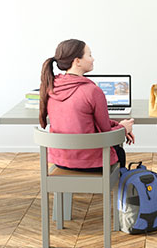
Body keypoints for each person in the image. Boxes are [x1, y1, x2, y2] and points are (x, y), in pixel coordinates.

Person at [40, 39, 135, 171]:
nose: (93, 59)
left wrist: (120, 125)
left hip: (60, 160)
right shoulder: (92, 91)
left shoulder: (50, 87)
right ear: (77, 61)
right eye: (89, 55)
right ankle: (114, 190)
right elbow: (106, 134)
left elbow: (88, 124)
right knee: (119, 152)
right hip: (91, 163)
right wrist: (123, 129)